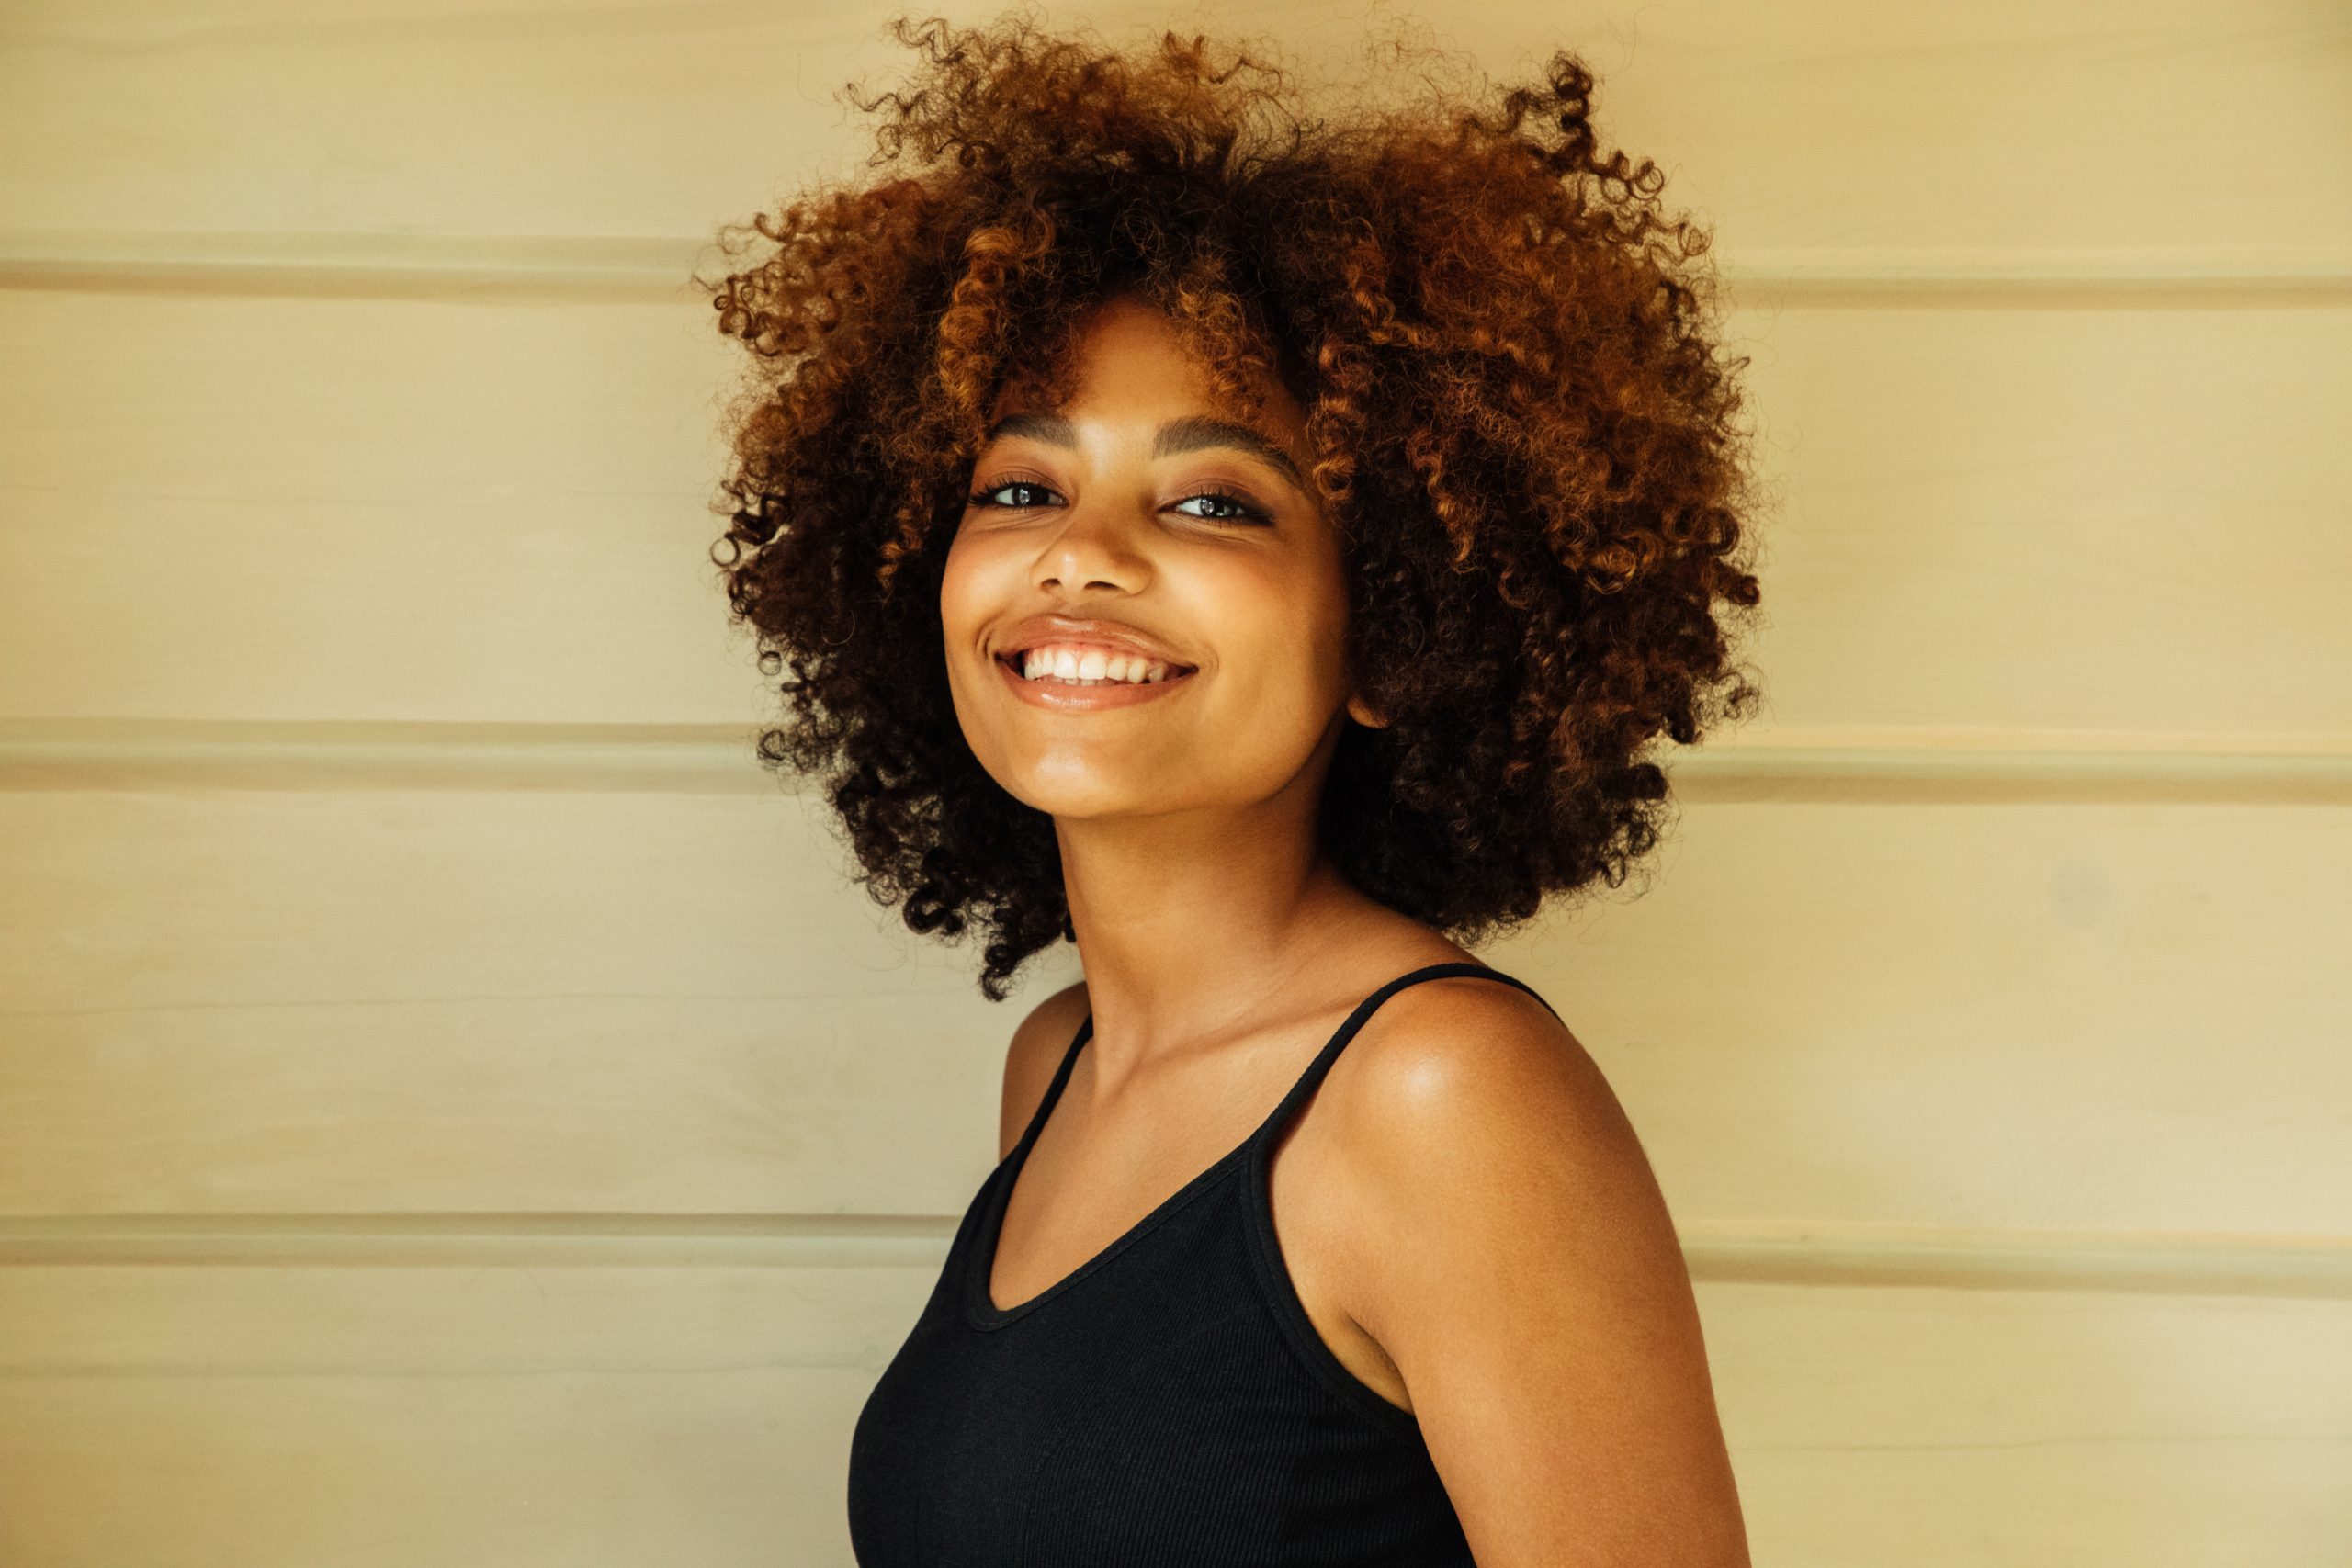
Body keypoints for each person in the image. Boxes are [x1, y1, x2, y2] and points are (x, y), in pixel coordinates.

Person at [704, 12, 1762, 1563]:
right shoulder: (1056, 1065)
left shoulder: (1444, 1098)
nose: (1080, 555)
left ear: (1391, 633)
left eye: (1213, 502)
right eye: (1022, 487)